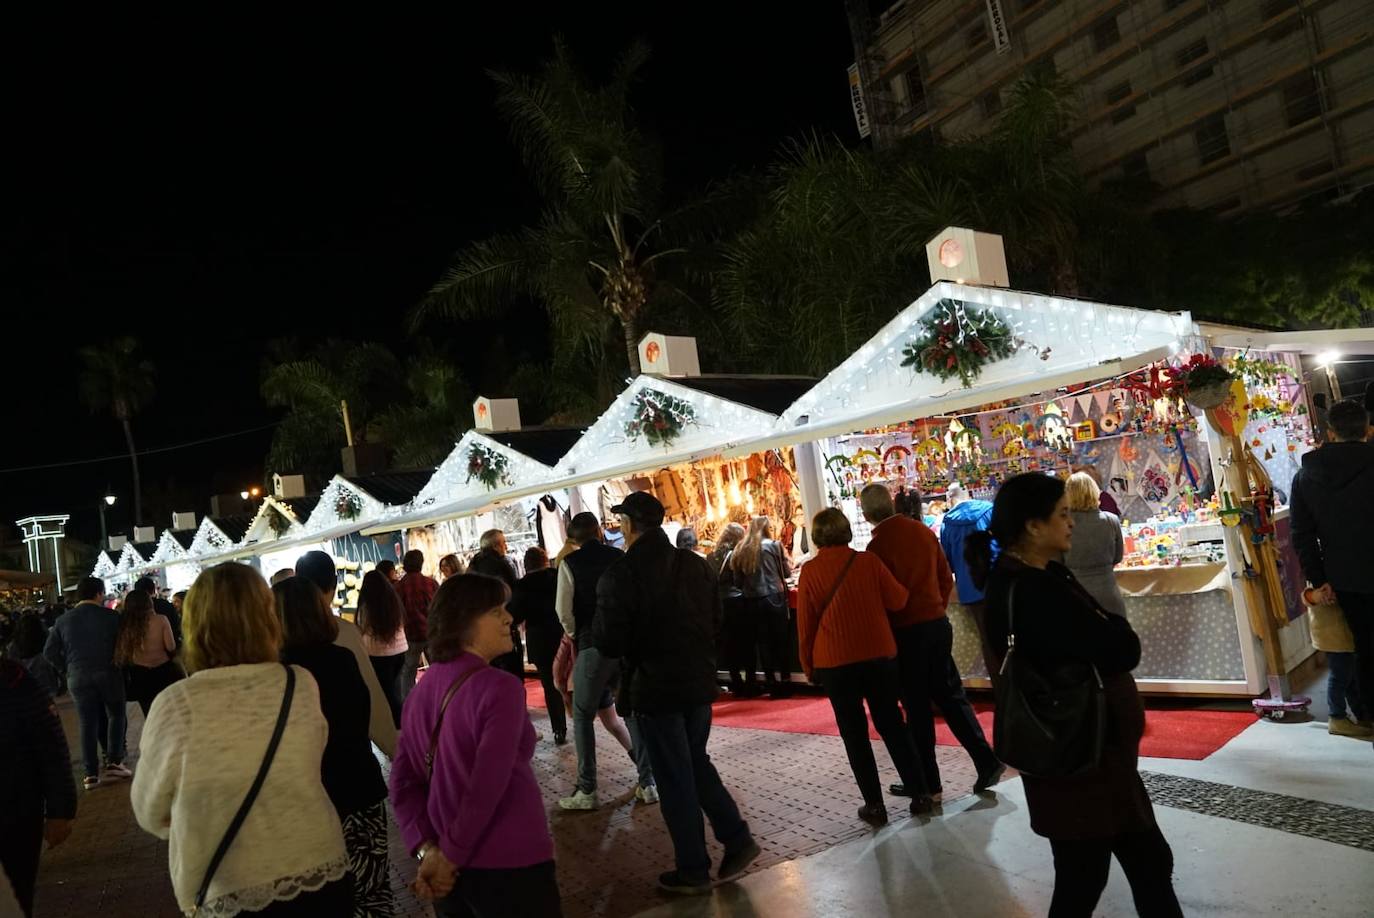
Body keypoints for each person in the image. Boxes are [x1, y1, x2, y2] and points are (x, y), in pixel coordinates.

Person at [969, 472, 1182, 917]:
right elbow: (1121, 648)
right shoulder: (1038, 589)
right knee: (1094, 873)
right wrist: (1116, 627)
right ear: (1033, 526)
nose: (1071, 523)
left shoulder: (1015, 580)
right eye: (1063, 514)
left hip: (1071, 748)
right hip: (1084, 751)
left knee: (1132, 864)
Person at [132, 563, 353, 914]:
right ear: (267, 617)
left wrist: (200, 813)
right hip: (320, 867)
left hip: (229, 883)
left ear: (194, 624)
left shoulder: (176, 704)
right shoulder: (299, 683)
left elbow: (149, 810)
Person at [594, 492, 759, 895]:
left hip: (655, 687)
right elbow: (716, 619)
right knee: (695, 763)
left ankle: (693, 867)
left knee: (674, 777)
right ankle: (736, 838)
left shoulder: (621, 575)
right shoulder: (695, 565)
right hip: (697, 681)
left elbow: (609, 641)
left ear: (630, 525)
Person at [390, 575, 562, 917]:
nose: (509, 618)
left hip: (450, 873)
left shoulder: (420, 693)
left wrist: (430, 850)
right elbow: (487, 785)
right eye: (496, 610)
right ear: (464, 620)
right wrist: (449, 857)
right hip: (511, 859)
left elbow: (402, 784)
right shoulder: (500, 688)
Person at [859, 484, 1003, 803]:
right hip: (936, 624)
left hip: (905, 631)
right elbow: (944, 574)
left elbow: (885, 598)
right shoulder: (922, 532)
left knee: (917, 707)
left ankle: (928, 783)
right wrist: (935, 604)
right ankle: (986, 759)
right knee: (952, 696)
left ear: (866, 514)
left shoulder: (876, 548)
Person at [797, 508, 934, 825]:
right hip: (878, 655)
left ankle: (874, 805)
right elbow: (898, 600)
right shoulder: (868, 562)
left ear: (817, 536)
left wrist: (808, 665)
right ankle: (921, 793)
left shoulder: (811, 572)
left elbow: (806, 626)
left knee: (854, 734)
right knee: (893, 725)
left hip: (835, 661)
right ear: (846, 531)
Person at [273, 577, 394, 916]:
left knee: (323, 898)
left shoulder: (276, 673)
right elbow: (363, 713)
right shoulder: (342, 657)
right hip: (360, 787)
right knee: (372, 891)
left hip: (311, 799)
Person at [555, 512, 657, 810]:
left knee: (583, 715)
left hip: (592, 644)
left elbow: (563, 611)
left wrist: (576, 635)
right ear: (599, 531)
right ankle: (648, 782)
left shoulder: (569, 564)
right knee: (630, 711)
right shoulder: (620, 557)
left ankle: (587, 789)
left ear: (573, 539)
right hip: (626, 643)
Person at [1291, 398, 1374, 728]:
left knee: (1364, 647)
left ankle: (1367, 715)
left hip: (1344, 574)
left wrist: (1318, 578)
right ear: (1367, 429)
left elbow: (1302, 534)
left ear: (1330, 432)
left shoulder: (1307, 475)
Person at [296, 552, 398, 759]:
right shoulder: (342, 632)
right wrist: (395, 749)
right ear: (333, 584)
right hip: (348, 755)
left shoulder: (277, 636)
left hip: (306, 757)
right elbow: (371, 697)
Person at [0, 657, 77, 917]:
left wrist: (60, 810)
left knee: (15, 898)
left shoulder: (15, 681)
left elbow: (50, 746)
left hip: (15, 815)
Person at [43, 576, 129, 790]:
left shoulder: (63, 620)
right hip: (108, 672)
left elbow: (49, 652)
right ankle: (115, 761)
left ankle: (90, 774)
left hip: (77, 676)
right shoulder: (111, 617)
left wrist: (66, 668)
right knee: (116, 714)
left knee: (87, 723)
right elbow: (125, 645)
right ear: (99, 593)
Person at [722, 516, 794, 698]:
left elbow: (737, 582)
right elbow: (785, 573)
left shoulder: (741, 549)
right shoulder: (774, 545)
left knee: (763, 643)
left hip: (752, 601)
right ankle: (785, 680)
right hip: (774, 598)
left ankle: (770, 681)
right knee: (780, 640)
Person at [508, 546, 567, 744]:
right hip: (562, 634)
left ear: (526, 564)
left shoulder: (522, 585)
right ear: (544, 561)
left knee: (549, 685)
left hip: (539, 639)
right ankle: (583, 721)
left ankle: (559, 729)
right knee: (570, 679)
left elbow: (515, 615)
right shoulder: (557, 576)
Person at [939, 483, 998, 665]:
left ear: (950, 498)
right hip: (996, 582)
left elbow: (948, 561)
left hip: (969, 588)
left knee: (987, 642)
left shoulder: (947, 523)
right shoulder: (990, 511)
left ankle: (999, 685)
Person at [1063, 472, 1128, 619]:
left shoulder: (1063, 525)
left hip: (1076, 595)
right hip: (1109, 594)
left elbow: (1057, 562)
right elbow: (1118, 557)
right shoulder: (1111, 520)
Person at [1306, 590, 1370, 736]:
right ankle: (1337, 717)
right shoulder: (1319, 582)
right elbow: (1307, 596)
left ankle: (1361, 714)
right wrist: (1318, 595)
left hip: (1343, 636)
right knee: (1340, 677)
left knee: (1350, 677)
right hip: (1334, 637)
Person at [113, 589, 180, 718]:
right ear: (149, 603)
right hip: (163, 671)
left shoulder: (126, 625)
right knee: (168, 710)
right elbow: (171, 646)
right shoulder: (161, 620)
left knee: (149, 713)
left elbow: (124, 652)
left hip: (140, 674)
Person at [468, 531, 525, 679]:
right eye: (503, 542)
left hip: (482, 628)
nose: (506, 546)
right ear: (495, 545)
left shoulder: (474, 565)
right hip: (502, 625)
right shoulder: (500, 565)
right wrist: (514, 618)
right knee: (511, 673)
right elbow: (513, 595)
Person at [357, 570, 409, 727]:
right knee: (396, 691)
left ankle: (398, 727)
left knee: (387, 695)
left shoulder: (367, 606)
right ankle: (403, 722)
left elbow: (363, 628)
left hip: (379, 655)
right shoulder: (393, 601)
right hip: (400, 651)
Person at [710, 523, 751, 695]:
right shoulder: (736, 555)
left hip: (718, 604)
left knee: (728, 644)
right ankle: (749, 682)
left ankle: (735, 680)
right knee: (745, 642)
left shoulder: (711, 556)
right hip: (736, 601)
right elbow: (739, 580)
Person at [395, 549, 439, 703]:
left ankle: (410, 703)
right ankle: (439, 698)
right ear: (421, 563)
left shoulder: (398, 587)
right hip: (431, 632)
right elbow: (439, 608)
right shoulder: (431, 583)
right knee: (438, 668)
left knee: (408, 672)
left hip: (410, 635)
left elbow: (396, 613)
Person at [5, 614, 60, 698]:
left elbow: (10, 664)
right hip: (46, 681)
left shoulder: (13, 645)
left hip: (23, 684)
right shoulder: (45, 641)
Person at [135, 576, 182, 650]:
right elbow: (176, 626)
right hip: (167, 650)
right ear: (153, 590)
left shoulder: (131, 610)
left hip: (141, 653)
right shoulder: (165, 605)